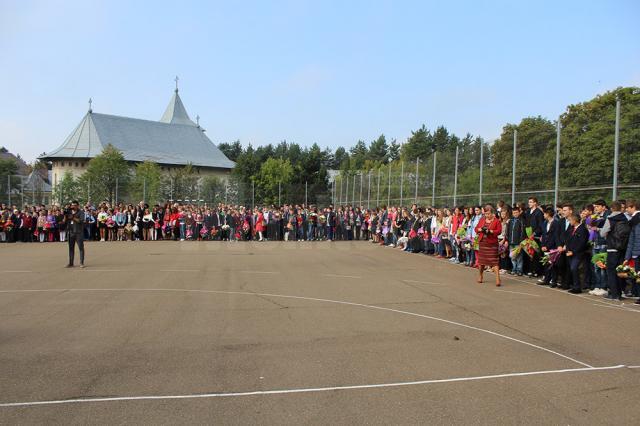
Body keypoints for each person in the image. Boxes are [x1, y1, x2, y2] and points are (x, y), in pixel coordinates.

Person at [600, 201, 630, 300]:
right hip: (623, 248)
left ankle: (613, 293)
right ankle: (620, 292)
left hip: (612, 248)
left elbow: (603, 233)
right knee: (619, 270)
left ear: (612, 209)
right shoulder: (625, 218)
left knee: (611, 271)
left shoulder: (610, 219)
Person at [474, 205, 503, 286]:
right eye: (486, 214)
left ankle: (498, 279)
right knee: (481, 262)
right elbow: (476, 228)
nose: (487, 215)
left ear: (492, 213)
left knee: (494, 261)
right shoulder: (482, 220)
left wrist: (490, 231)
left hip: (492, 244)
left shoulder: (497, 221)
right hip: (483, 243)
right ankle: (480, 275)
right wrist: (479, 229)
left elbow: (499, 231)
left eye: (489, 214)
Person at [564, 213, 589, 293]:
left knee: (574, 268)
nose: (569, 221)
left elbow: (582, 243)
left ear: (575, 220)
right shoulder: (571, 228)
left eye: (570, 220)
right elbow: (567, 239)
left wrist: (573, 251)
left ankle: (578, 287)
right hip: (570, 252)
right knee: (572, 269)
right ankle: (575, 286)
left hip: (578, 253)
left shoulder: (583, 230)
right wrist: (568, 250)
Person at [622, 200, 639, 303]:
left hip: (637, 251)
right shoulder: (634, 221)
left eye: (628, 208)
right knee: (637, 274)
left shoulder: (635, 220)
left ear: (633, 207)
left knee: (638, 274)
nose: (627, 210)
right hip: (636, 251)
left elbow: (632, 240)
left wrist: (628, 257)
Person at [65, 200, 86, 268]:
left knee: (81, 248)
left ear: (77, 206)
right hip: (70, 232)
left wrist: (73, 218)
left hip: (78, 232)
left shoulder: (81, 212)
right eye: (72, 205)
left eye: (74, 205)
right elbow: (65, 220)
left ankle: (81, 263)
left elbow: (81, 221)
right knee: (71, 248)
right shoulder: (69, 212)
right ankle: (71, 263)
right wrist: (65, 216)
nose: (73, 206)